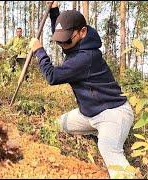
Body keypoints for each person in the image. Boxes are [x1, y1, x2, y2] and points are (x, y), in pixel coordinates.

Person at [29, 2, 135, 178]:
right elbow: (63, 31)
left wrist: (39, 51)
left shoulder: (86, 58)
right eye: (60, 40)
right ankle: (96, 131)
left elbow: (52, 77)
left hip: (113, 113)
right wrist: (55, 11)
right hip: (89, 114)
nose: (63, 44)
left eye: (67, 40)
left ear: (83, 32)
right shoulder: (77, 43)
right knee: (58, 125)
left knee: (108, 148)